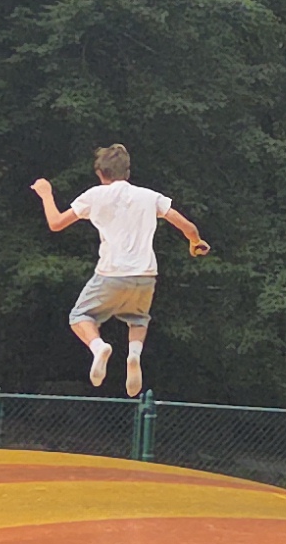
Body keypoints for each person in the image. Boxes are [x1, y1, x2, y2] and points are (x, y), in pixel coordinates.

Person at [29, 148, 205, 395]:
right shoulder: (149, 196)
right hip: (145, 275)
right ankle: (134, 355)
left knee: (80, 316)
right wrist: (195, 242)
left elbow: (56, 223)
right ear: (128, 172)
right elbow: (188, 226)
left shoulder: (95, 195)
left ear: (100, 173)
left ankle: (98, 347)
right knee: (138, 318)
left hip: (111, 274)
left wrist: (46, 194)